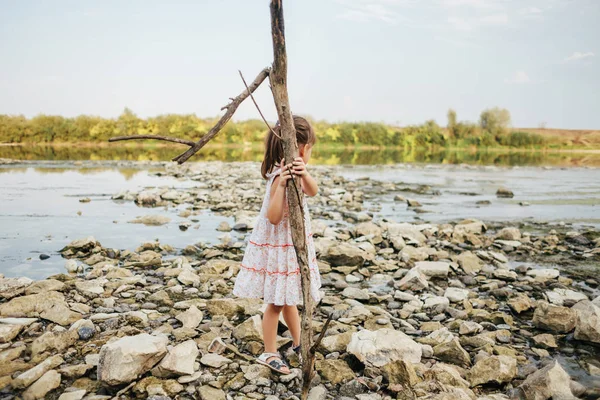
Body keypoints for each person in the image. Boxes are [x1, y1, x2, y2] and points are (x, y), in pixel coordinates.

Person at [232, 115, 321, 374]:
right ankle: (269, 353)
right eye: (310, 149)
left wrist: (305, 174)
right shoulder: (277, 178)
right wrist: (281, 184)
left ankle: (297, 343)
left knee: (290, 298)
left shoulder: (299, 172)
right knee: (275, 303)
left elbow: (313, 191)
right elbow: (272, 218)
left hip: (293, 246)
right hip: (278, 248)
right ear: (300, 149)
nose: (311, 154)